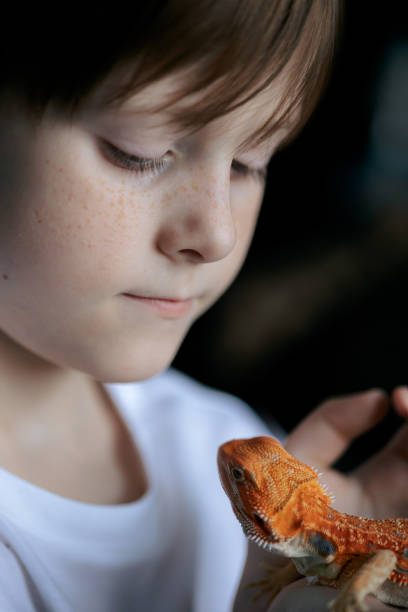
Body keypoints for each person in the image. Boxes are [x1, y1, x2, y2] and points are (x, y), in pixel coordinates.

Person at [1, 2, 406, 611]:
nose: (216, 233)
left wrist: (312, 588)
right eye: (139, 151)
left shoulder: (232, 451)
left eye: (251, 163)